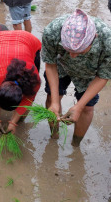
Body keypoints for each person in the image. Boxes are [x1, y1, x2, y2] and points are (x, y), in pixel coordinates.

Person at [42, 9, 111, 147]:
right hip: (60, 65)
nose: (72, 56)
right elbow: (50, 65)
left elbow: (103, 76)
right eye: (68, 50)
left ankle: (75, 144)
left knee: (86, 108)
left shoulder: (107, 41)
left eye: (79, 52)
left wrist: (78, 107)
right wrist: (55, 102)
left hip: (90, 72)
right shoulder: (52, 31)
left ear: (94, 38)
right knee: (51, 99)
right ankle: (54, 136)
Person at [0, 30, 41, 135]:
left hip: (27, 39)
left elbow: (29, 98)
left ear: (22, 95)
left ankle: (19, 119)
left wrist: (13, 122)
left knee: (25, 109)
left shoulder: (33, 79)